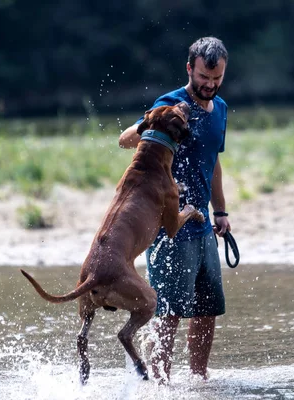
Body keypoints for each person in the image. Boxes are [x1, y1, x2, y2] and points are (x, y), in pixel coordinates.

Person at [118, 36, 231, 382]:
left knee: (206, 310)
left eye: (216, 79)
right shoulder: (171, 104)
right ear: (189, 69)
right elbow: (125, 139)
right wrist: (151, 128)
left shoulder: (221, 110)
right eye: (203, 78)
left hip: (202, 227)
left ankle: (199, 378)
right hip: (168, 227)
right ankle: (159, 383)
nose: (209, 85)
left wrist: (221, 212)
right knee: (167, 312)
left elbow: (212, 164)